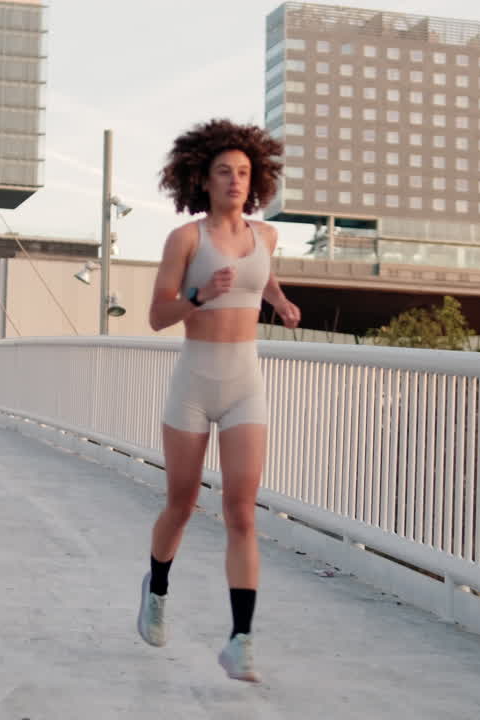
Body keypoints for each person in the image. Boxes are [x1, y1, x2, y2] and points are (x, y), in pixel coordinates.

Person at [136, 119, 301, 683]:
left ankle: (241, 640)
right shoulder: (186, 240)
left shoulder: (266, 236)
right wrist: (199, 295)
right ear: (201, 179)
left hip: (244, 387)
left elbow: (264, 276)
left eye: (244, 172)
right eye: (224, 172)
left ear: (255, 180)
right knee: (182, 504)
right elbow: (158, 316)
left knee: (241, 513)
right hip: (193, 383)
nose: (235, 180)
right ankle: (156, 589)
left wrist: (279, 302)